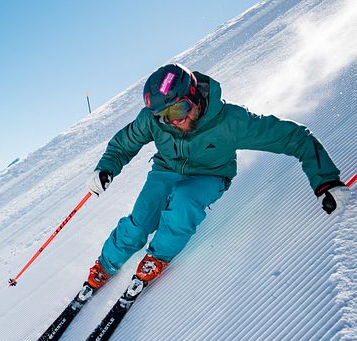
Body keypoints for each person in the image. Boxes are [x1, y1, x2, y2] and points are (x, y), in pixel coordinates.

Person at [84, 63, 351, 289]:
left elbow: (295, 137)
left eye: (177, 111)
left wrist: (325, 180)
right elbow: (123, 144)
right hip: (166, 171)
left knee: (183, 203)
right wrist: (106, 167)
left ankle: (158, 256)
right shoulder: (153, 120)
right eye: (163, 116)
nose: (172, 121)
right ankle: (106, 265)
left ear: (194, 97)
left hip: (209, 175)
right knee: (140, 221)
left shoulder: (231, 123)